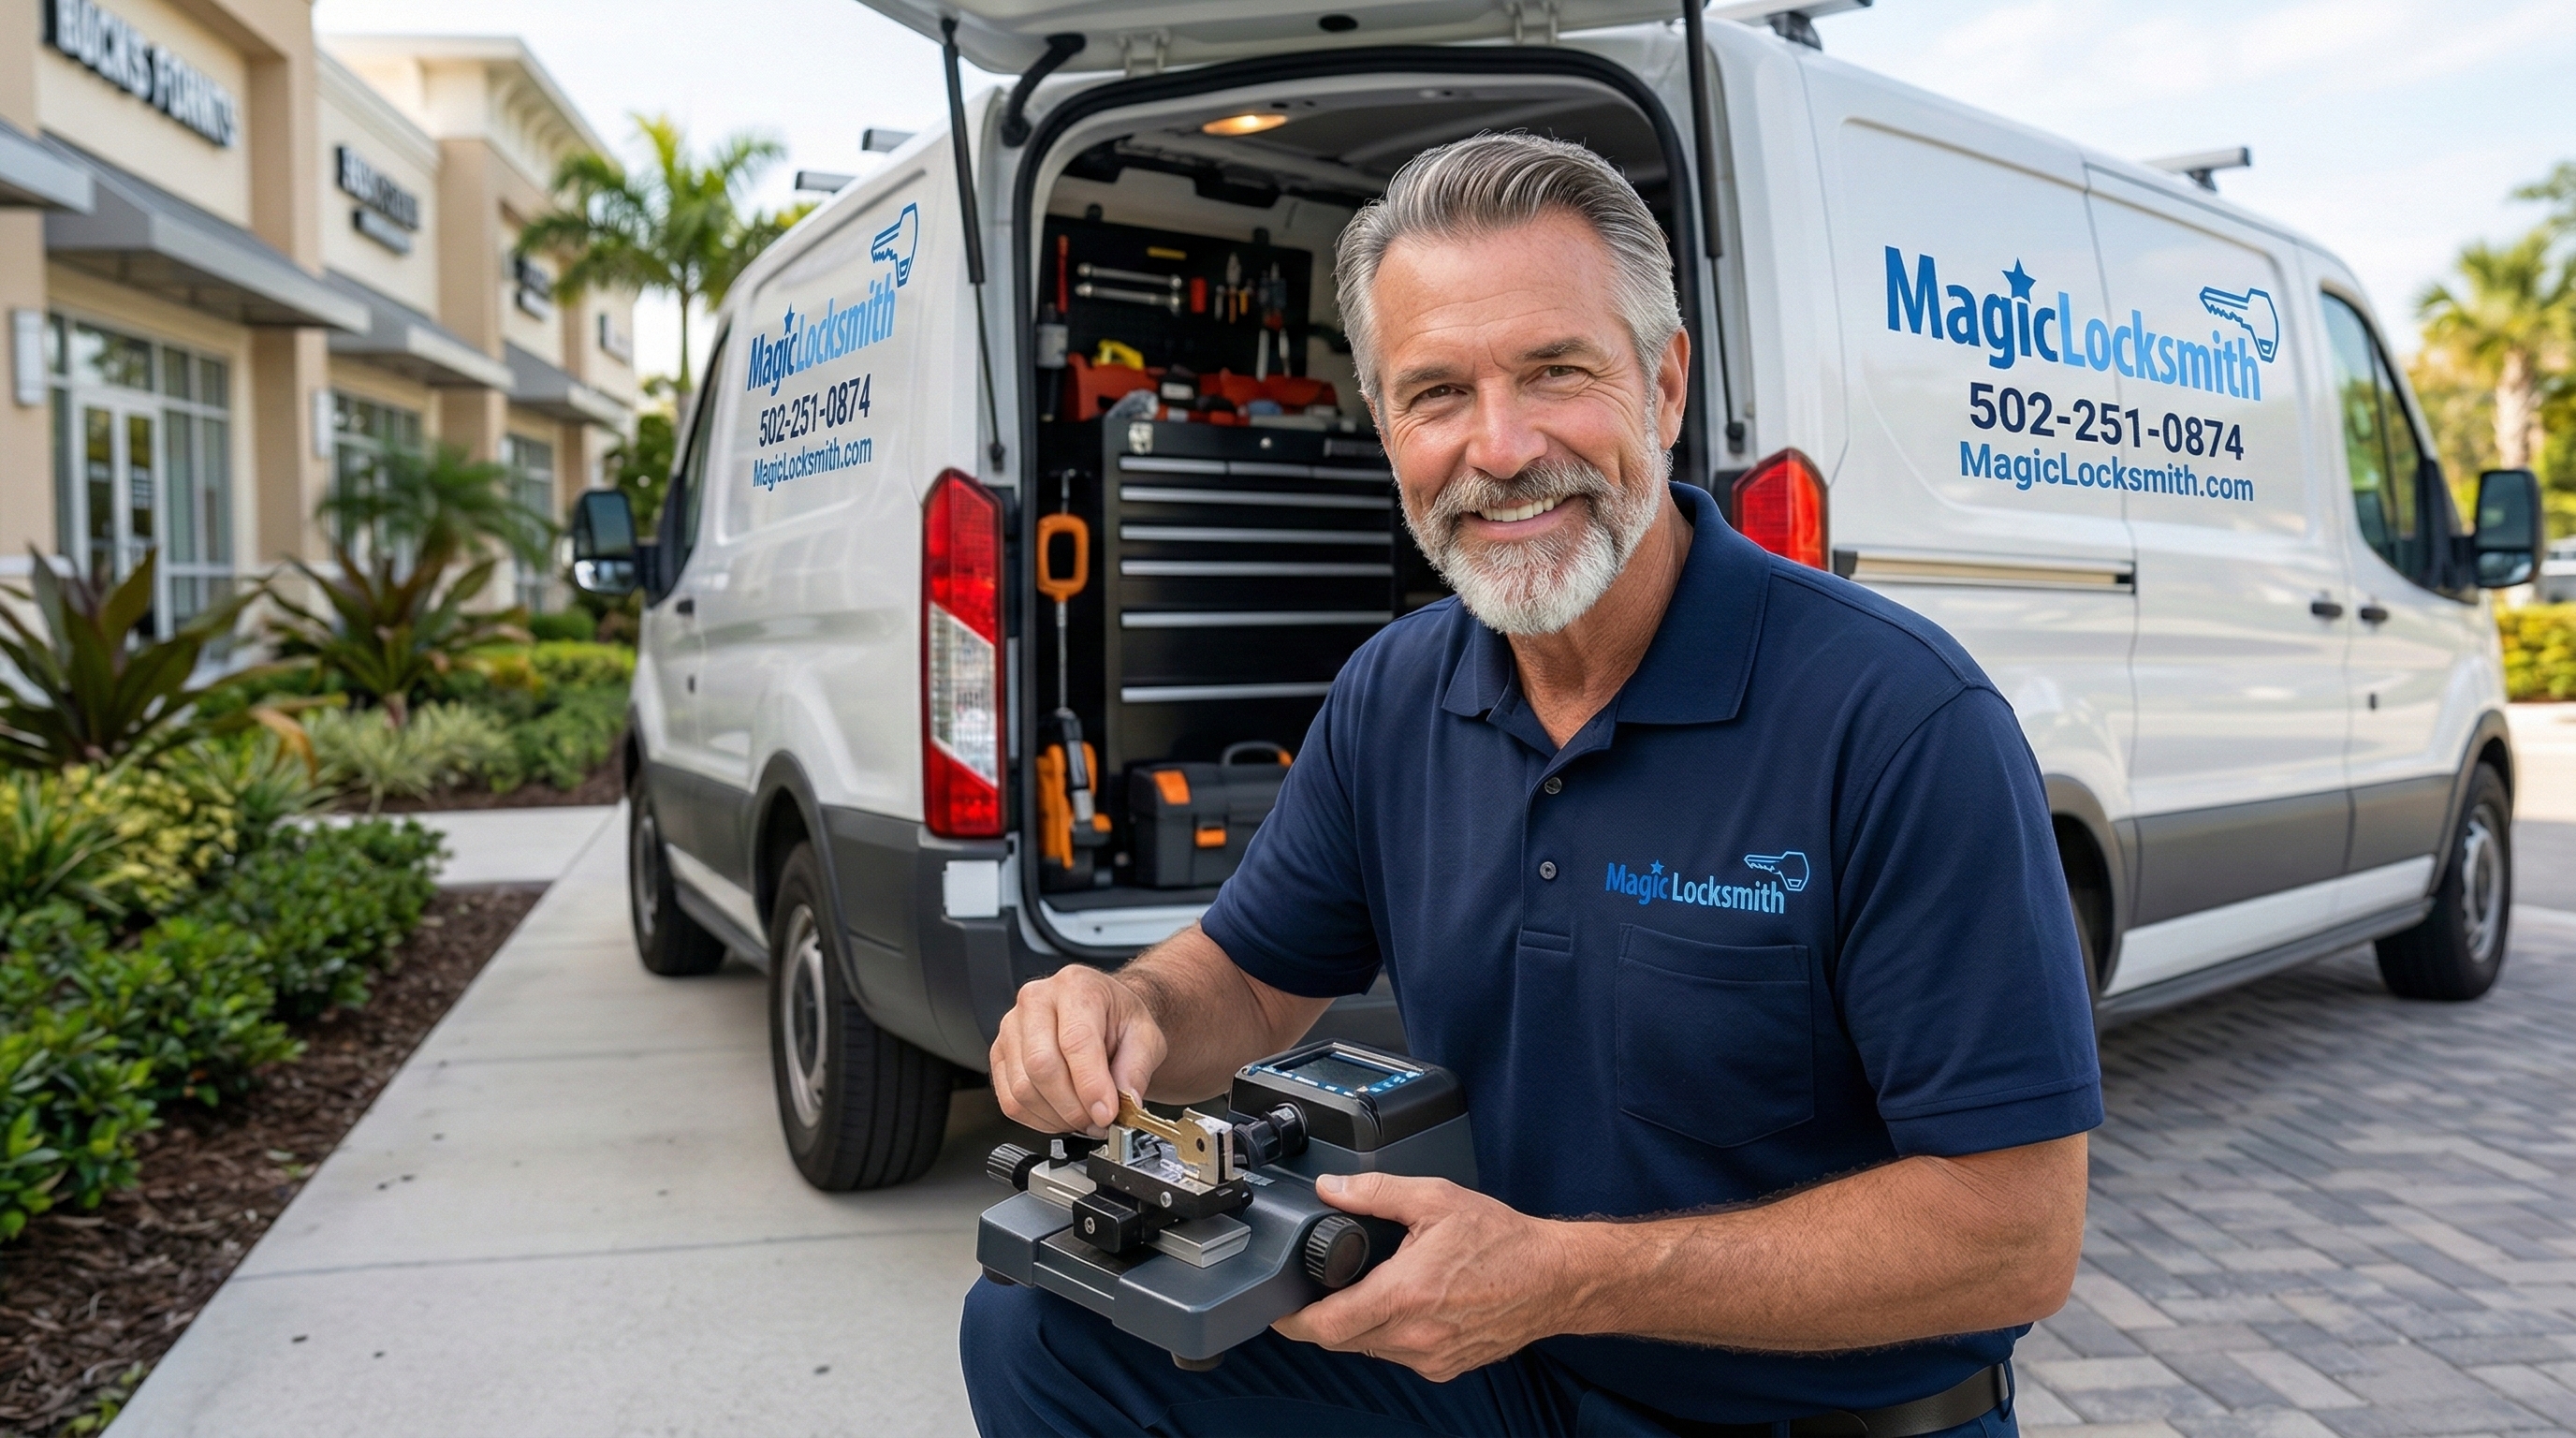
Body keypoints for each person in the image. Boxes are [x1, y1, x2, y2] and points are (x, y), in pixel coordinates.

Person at [961, 132, 2100, 1438]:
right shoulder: (1393, 698)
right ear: (1387, 426)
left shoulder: (1897, 720)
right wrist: (1126, 1007)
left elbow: (2015, 1236)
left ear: (1664, 386)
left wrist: (1562, 1278)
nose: (1498, 450)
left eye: (1553, 372)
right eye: (1436, 393)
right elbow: (1258, 975)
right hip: (1511, 1377)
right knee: (1044, 1329)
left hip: (1806, 1419)